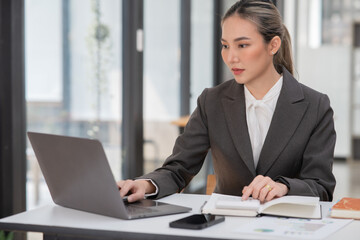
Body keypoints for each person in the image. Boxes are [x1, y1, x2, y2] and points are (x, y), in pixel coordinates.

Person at [118, 0, 336, 203]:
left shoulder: (315, 106)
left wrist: (284, 187)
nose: (231, 57)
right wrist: (145, 185)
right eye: (225, 45)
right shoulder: (212, 102)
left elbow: (321, 187)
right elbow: (178, 169)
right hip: (226, 225)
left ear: (273, 45)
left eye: (242, 45)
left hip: (287, 228)